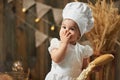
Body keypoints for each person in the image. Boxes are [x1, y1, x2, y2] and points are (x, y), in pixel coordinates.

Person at [45, 1, 94, 80]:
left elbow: (85, 68)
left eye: (71, 29)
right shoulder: (56, 44)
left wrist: (92, 68)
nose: (66, 31)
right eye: (64, 27)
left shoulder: (82, 50)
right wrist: (64, 44)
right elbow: (56, 59)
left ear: (79, 36)